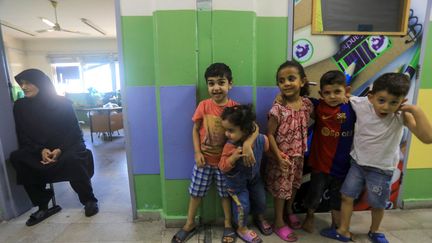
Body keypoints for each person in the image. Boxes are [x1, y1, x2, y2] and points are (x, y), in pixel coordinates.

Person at [321, 73, 432, 243]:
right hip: (357, 164)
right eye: (381, 100)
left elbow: (427, 138)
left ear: (402, 101)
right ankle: (343, 230)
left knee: (378, 203)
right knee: (346, 196)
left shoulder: (401, 115)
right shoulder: (361, 104)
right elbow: (343, 97)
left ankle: (375, 230)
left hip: (382, 169)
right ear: (371, 97)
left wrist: (415, 110)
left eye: (394, 102)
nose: (386, 107)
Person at [172, 63, 258, 243]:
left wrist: (249, 143)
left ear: (230, 84)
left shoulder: (235, 108)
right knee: (196, 193)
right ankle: (189, 223)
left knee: (225, 194)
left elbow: (254, 127)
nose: (216, 87)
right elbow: (195, 130)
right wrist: (197, 152)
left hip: (226, 163)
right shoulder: (203, 106)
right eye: (211, 83)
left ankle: (228, 224)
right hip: (204, 161)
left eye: (221, 82)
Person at [9, 69, 98, 226]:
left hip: (67, 146)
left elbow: (74, 132)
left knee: (74, 159)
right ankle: (43, 205)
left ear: (41, 83)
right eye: (21, 83)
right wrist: (40, 150)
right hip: (38, 149)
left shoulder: (63, 103)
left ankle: (89, 200)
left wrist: (59, 149)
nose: (23, 87)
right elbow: (22, 134)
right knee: (18, 158)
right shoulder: (20, 107)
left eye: (28, 82)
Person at [302, 70, 356, 233]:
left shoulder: (354, 107)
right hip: (320, 164)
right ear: (321, 94)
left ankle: (336, 224)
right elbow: (298, 98)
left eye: (337, 92)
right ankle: (309, 216)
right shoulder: (318, 106)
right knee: (315, 194)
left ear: (346, 91)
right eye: (327, 92)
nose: (332, 96)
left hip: (343, 166)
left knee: (337, 197)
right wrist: (280, 98)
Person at [266, 60, 313, 242]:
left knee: (293, 186)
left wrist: (345, 100)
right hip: (282, 158)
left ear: (302, 81)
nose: (286, 83)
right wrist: (278, 157)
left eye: (291, 78)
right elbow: (269, 134)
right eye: (281, 80)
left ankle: (289, 210)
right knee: (281, 191)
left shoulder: (307, 105)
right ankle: (278, 222)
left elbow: (324, 113)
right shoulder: (278, 109)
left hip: (299, 157)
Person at [219, 105, 272, 243]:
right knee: (243, 206)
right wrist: (233, 158)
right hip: (236, 183)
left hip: (254, 178)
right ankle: (241, 228)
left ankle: (259, 217)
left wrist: (281, 157)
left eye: (230, 130)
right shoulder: (230, 146)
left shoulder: (262, 139)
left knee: (261, 200)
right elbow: (222, 167)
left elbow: (268, 152)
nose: (226, 134)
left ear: (245, 129)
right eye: (226, 130)